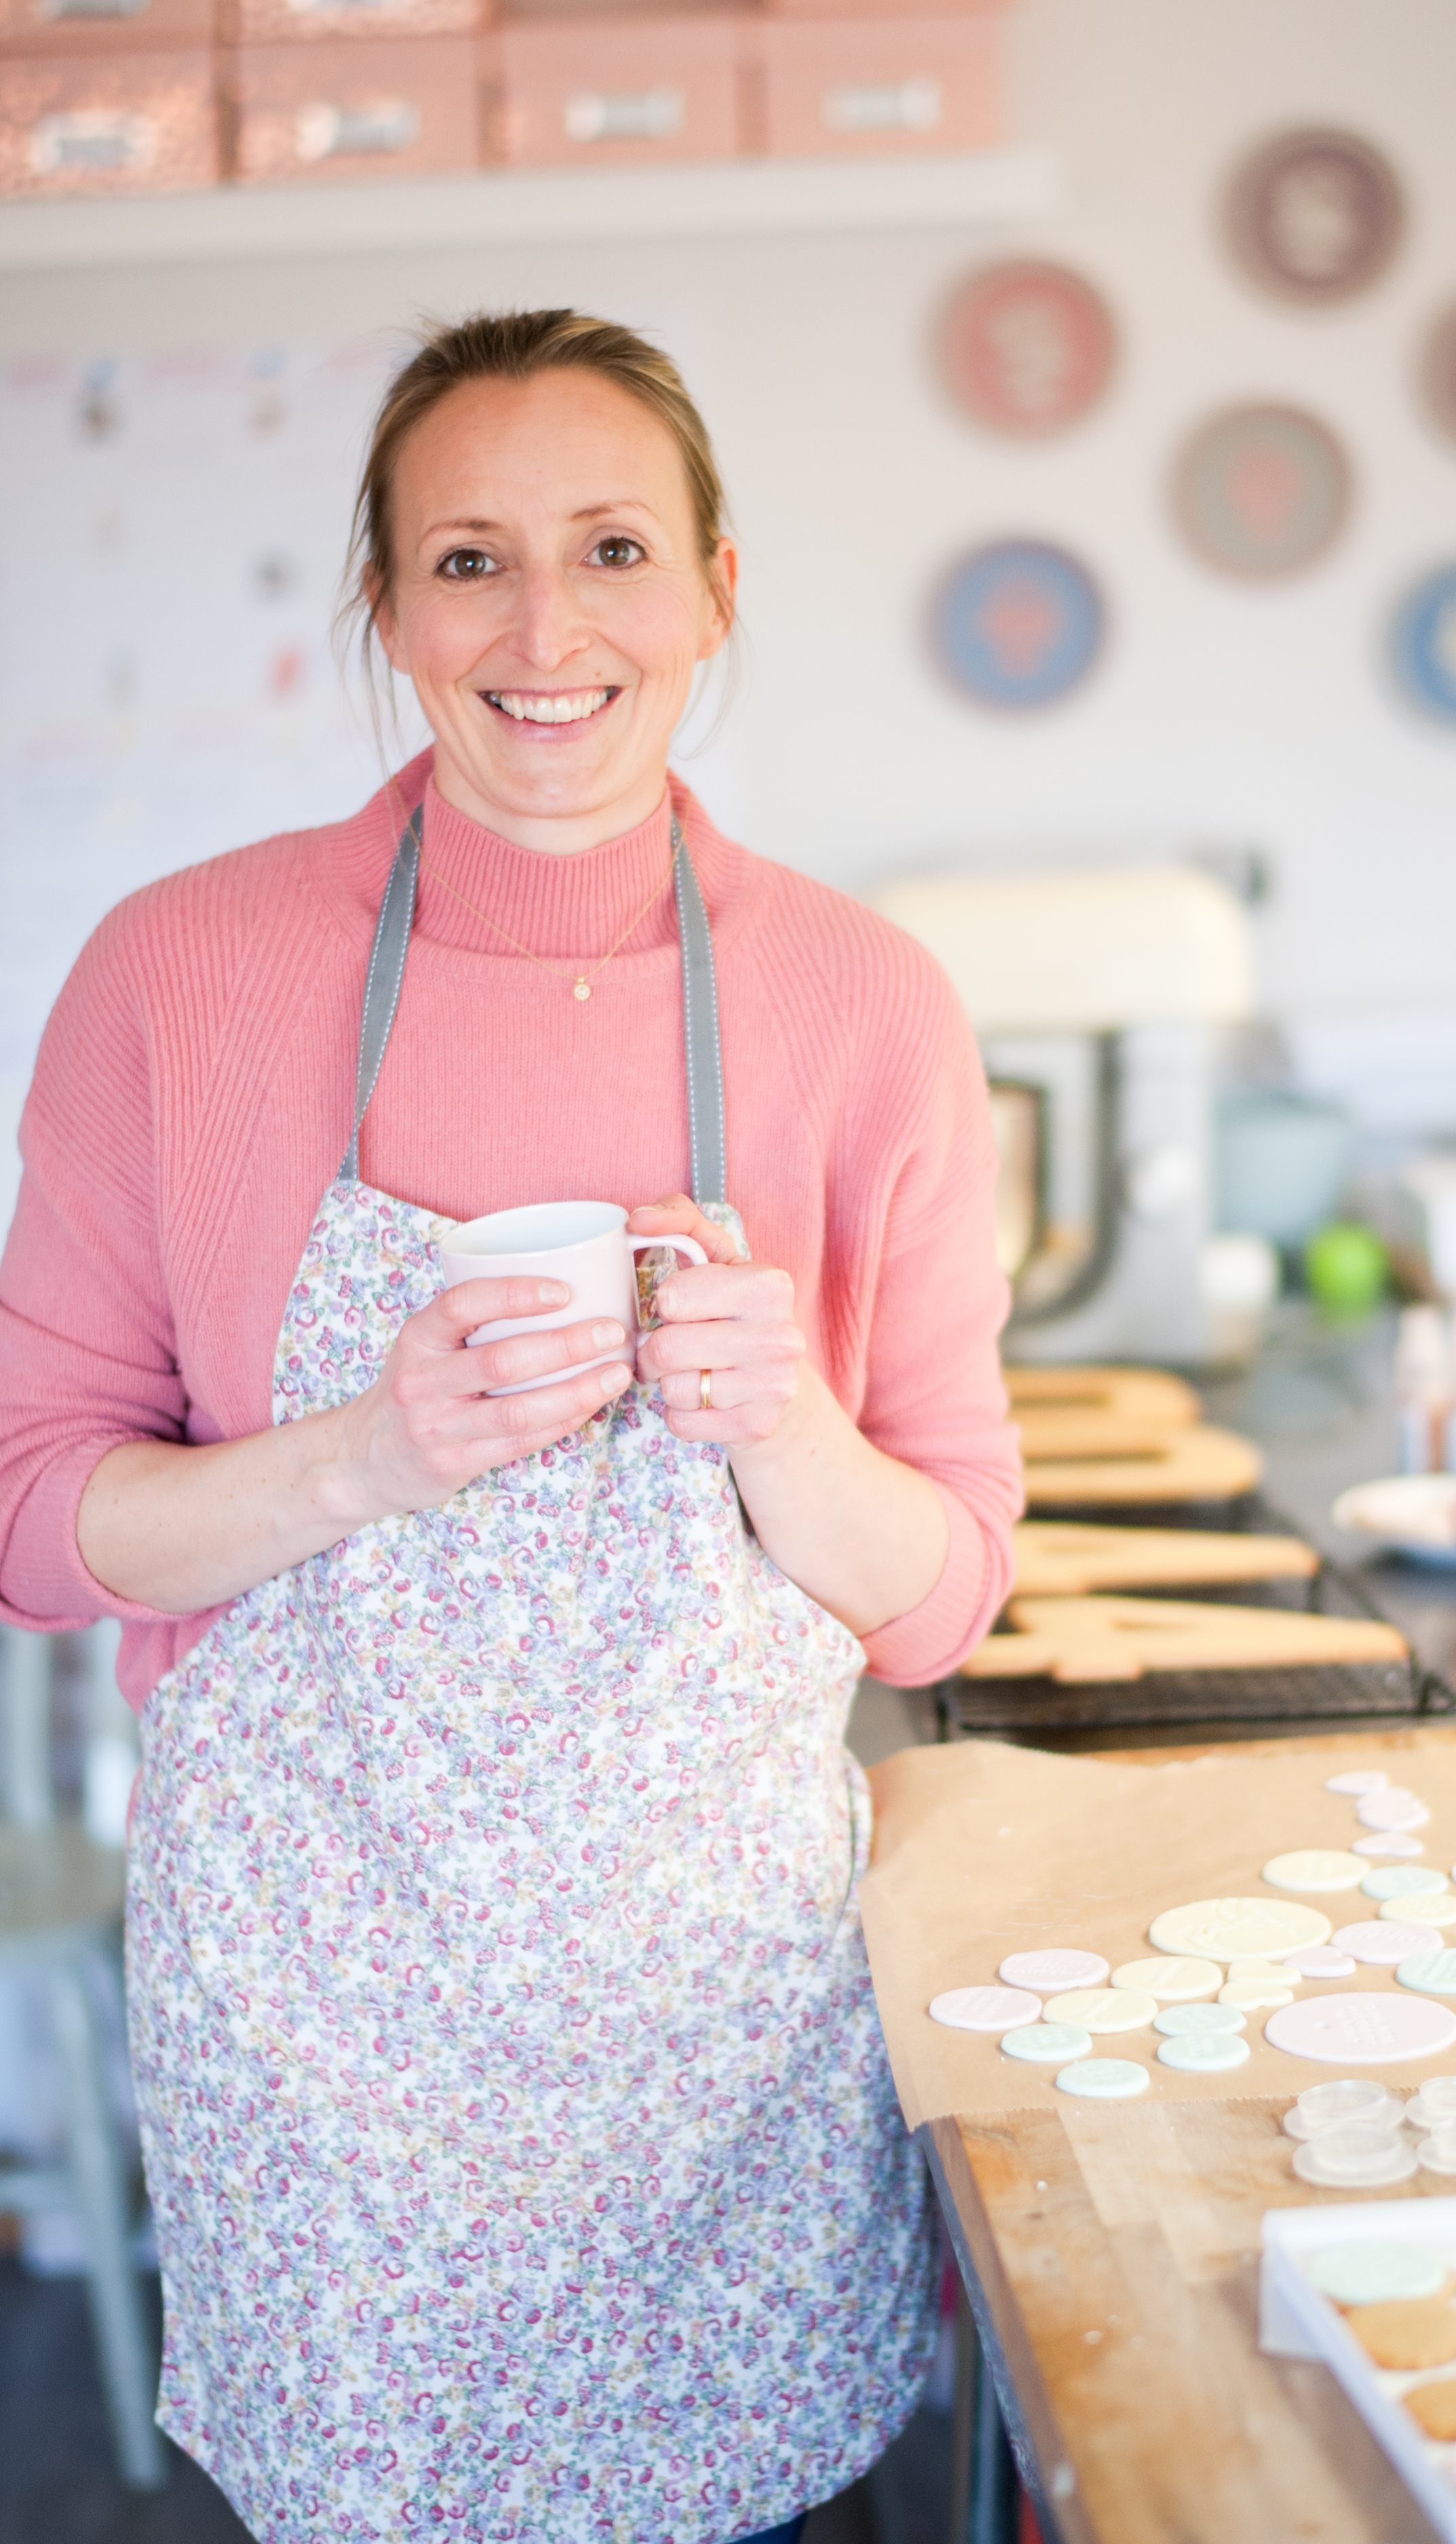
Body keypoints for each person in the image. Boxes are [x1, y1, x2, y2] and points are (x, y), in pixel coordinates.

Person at [0, 309, 1020, 2544]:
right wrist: (364, 1455)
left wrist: (787, 1435)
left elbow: (944, 1596)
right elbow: (39, 1520)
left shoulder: (865, 1004)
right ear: (382, 607)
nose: (544, 630)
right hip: (321, 2032)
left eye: (613, 549)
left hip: (709, 2035)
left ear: (717, 588)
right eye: (467, 560)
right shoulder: (177, 975)